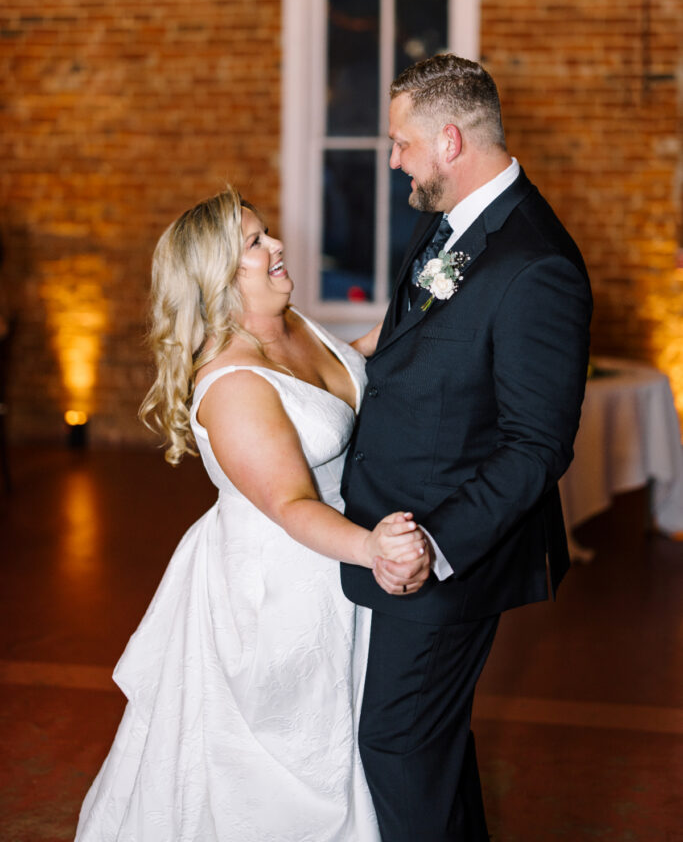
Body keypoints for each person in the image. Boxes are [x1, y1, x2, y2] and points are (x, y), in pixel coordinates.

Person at [74, 186, 428, 842]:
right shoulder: (234, 384)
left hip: (331, 561)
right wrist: (372, 548)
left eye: (267, 235)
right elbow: (290, 503)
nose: (277, 247)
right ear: (215, 279)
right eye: (255, 244)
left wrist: (426, 314)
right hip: (281, 587)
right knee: (281, 773)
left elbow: (342, 369)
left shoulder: (289, 323)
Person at [340, 54, 593, 841]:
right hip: (391, 523)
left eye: (400, 143)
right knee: (426, 745)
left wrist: (436, 546)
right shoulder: (445, 215)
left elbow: (535, 445)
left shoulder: (536, 266)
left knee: (396, 742)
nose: (392, 161)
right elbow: (404, 341)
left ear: (448, 139)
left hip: (448, 548)